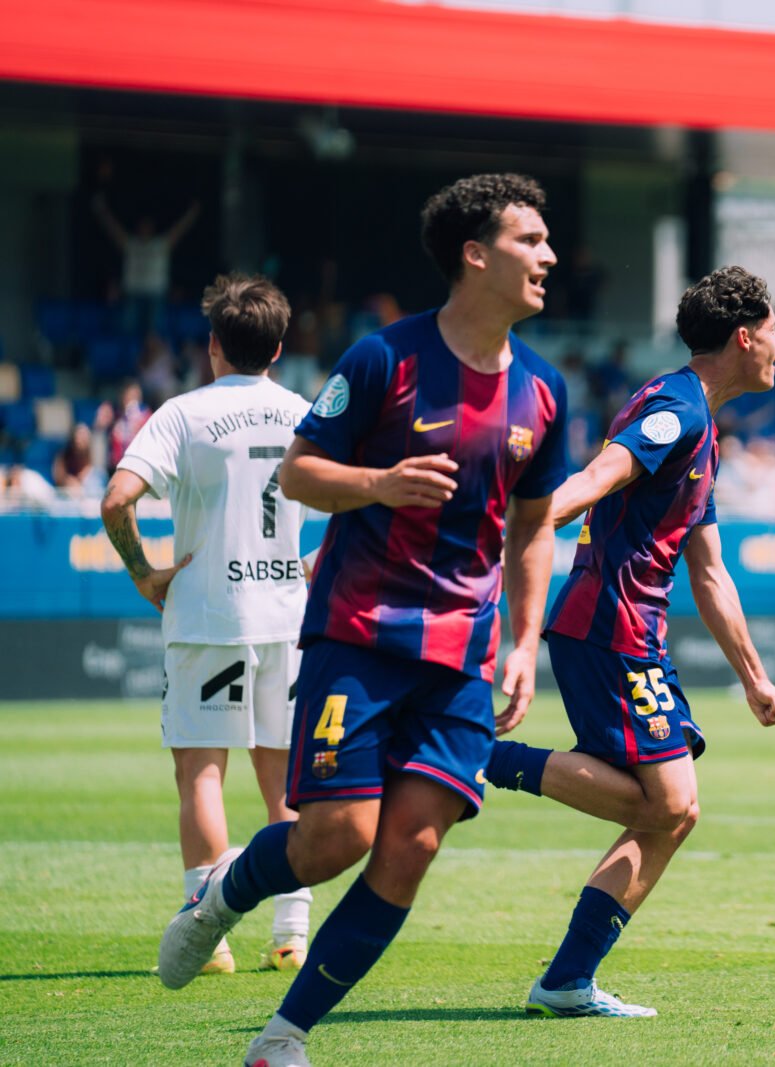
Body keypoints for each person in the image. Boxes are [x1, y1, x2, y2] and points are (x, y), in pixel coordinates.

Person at [154, 174, 568, 1067]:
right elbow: (300, 474)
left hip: (461, 655)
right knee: (336, 836)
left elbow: (534, 526)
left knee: (409, 847)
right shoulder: (384, 359)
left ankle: (282, 1036)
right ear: (474, 252)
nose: (549, 256)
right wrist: (380, 483)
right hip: (359, 634)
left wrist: (526, 642)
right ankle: (222, 897)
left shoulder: (545, 391)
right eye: (530, 240)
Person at [486, 265, 775, 1018]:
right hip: (608, 629)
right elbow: (600, 472)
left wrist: (754, 679)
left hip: (630, 634)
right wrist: (528, 519)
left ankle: (566, 979)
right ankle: (473, 754)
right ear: (743, 335)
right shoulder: (675, 409)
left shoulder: (704, 429)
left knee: (674, 811)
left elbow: (711, 571)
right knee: (670, 802)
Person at [101, 274, 314, 976]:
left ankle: (208, 930)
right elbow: (364, 507)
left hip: (207, 614)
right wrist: (312, 564)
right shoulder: (304, 413)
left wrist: (143, 573)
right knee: (283, 780)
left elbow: (115, 500)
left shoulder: (182, 414)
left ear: (213, 345)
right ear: (278, 347)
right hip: (288, 619)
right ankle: (291, 932)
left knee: (201, 771)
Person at [91, 192, 201, 339]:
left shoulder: (160, 245)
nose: (144, 230)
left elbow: (179, 230)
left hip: (155, 294)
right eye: (142, 227)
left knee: (154, 332)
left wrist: (192, 213)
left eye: (147, 227)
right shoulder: (131, 244)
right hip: (133, 293)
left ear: (152, 229)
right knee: (126, 329)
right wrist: (102, 210)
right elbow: (113, 229)